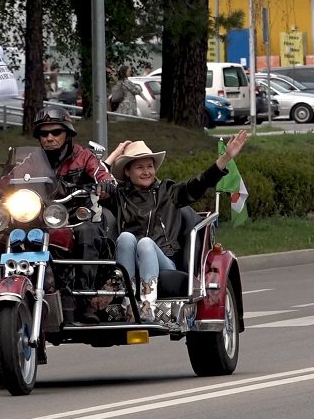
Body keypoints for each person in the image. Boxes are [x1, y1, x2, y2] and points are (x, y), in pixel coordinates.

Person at [0, 105, 116, 324]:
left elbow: (102, 173)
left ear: (68, 133)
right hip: (40, 216)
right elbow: (7, 181)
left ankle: (84, 299)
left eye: (56, 132)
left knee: (88, 232)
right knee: (0, 220)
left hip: (74, 216)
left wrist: (106, 183)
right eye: (44, 133)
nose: (49, 138)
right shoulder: (33, 160)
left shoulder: (84, 156)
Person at [104, 130, 249, 323]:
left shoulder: (168, 191)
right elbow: (92, 185)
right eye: (139, 167)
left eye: (150, 166)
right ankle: (128, 303)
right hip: (131, 262)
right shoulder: (118, 195)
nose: (146, 172)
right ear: (127, 172)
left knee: (145, 243)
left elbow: (198, 184)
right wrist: (114, 155)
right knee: (125, 237)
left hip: (165, 260)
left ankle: (147, 306)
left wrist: (226, 157)